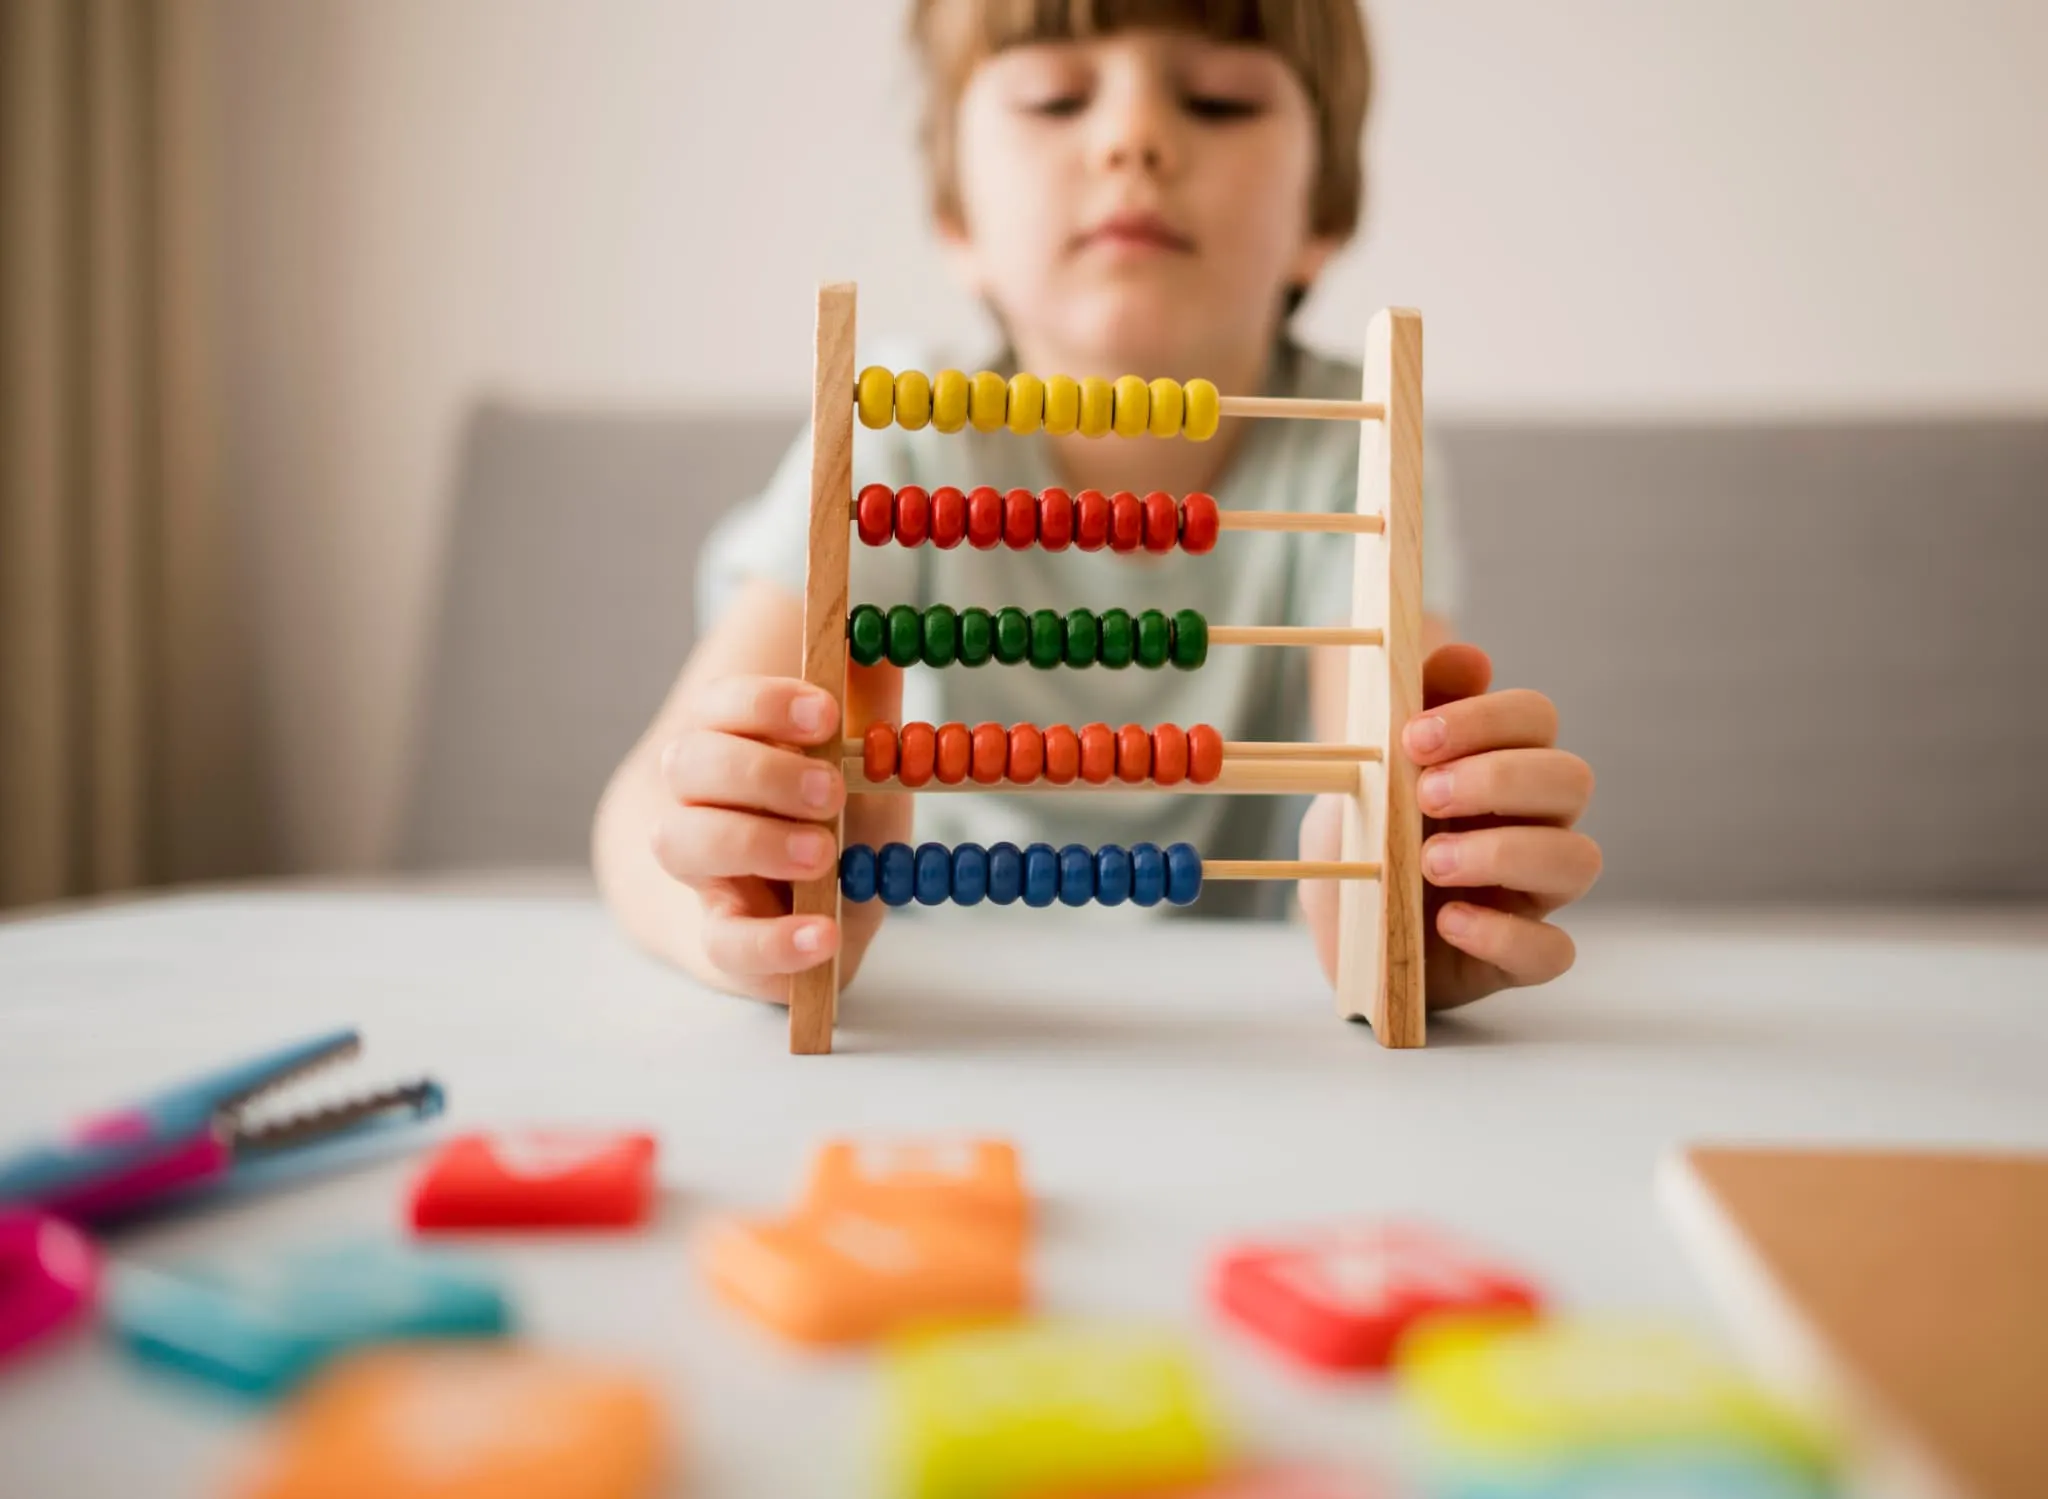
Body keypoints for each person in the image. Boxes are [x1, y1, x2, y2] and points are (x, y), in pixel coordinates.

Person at [594, 0, 1600, 1014]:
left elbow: (1379, 758)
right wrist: (732, 908)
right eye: (1054, 97)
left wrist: (1411, 880)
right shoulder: (894, 437)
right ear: (956, 222)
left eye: (1218, 100)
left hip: (1239, 1027)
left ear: (1320, 217)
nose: (1133, 139)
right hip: (936, 1004)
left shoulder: (1357, 446)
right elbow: (644, 811)